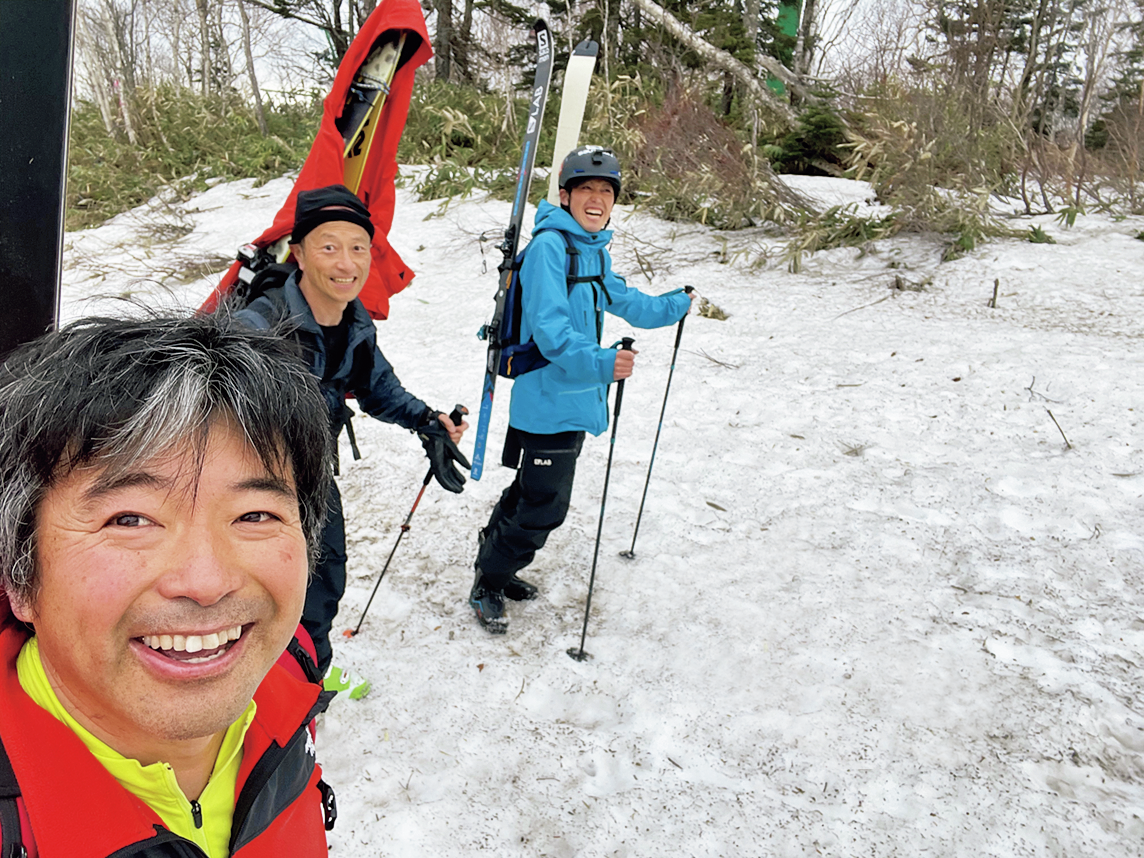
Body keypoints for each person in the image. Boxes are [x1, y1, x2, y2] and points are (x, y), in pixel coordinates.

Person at [0, 313, 337, 856]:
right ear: (20, 576)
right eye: (130, 519)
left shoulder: (285, 676)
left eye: (254, 515)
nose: (206, 583)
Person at [234, 184, 469, 691]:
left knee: (323, 582)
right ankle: (261, 688)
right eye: (329, 246)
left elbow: (377, 386)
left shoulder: (354, 322)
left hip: (312, 477)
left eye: (358, 247)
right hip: (252, 484)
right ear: (298, 252)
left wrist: (429, 422)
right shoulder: (260, 323)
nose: (347, 262)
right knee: (261, 589)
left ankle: (305, 680)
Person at [470, 145, 695, 634]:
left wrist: (674, 305)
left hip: (575, 399)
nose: (596, 199)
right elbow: (551, 331)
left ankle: (496, 566)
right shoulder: (552, 248)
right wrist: (602, 362)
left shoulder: (592, 249)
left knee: (532, 493)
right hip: (548, 399)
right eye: (586, 189)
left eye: (606, 191)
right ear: (566, 195)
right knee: (544, 506)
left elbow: (626, 300)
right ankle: (489, 579)